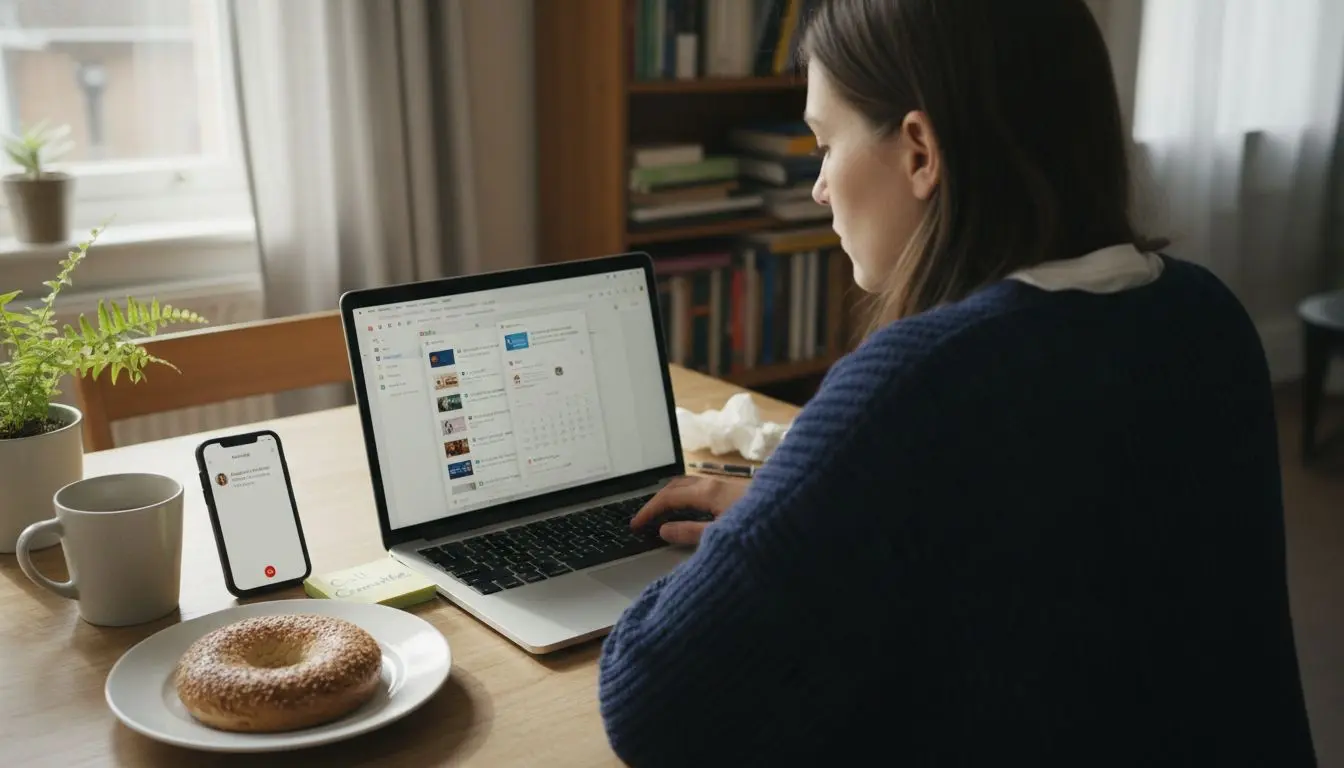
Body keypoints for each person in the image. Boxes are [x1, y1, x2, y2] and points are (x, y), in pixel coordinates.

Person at [597, 1, 1316, 765]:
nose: (817, 189)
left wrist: (758, 536)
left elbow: (652, 702)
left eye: (824, 144)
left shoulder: (914, 384)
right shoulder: (1206, 316)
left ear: (918, 152)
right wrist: (797, 511)